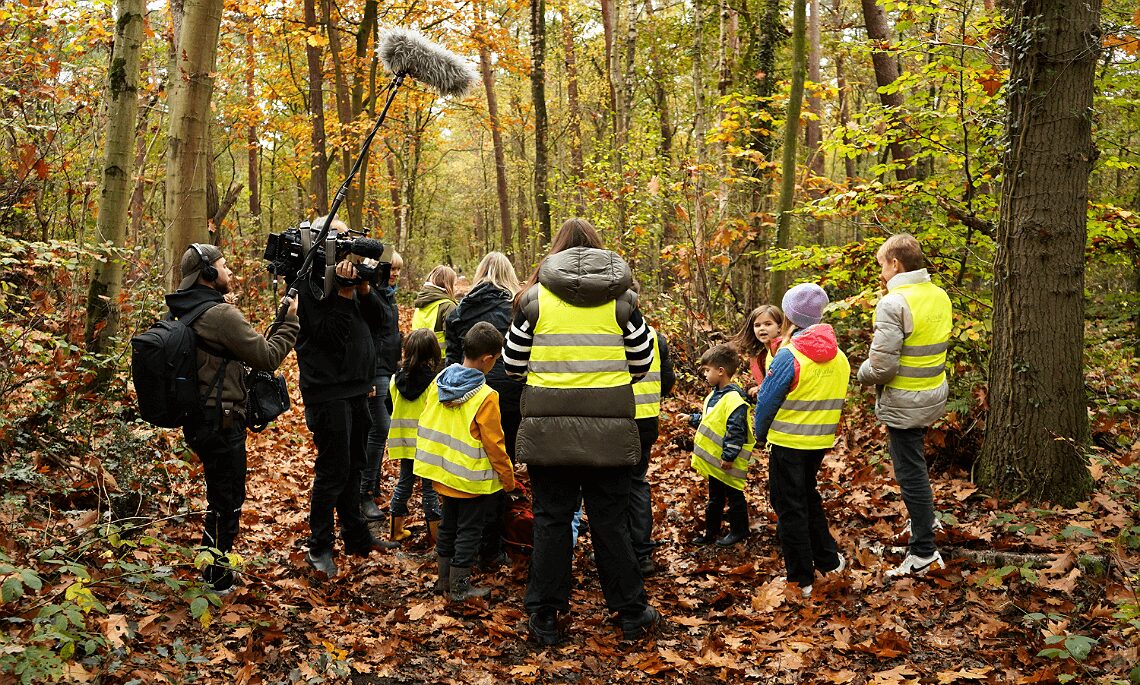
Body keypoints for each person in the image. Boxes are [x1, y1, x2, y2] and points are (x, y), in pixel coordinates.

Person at [504, 217, 660, 646]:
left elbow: (513, 365)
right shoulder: (622, 303)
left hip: (547, 434)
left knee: (552, 521)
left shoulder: (533, 302)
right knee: (610, 521)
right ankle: (630, 613)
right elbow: (642, 362)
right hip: (609, 434)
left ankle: (545, 616)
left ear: (556, 253)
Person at [166, 243, 299, 593]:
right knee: (227, 501)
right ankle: (217, 578)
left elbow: (232, 351)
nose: (230, 273)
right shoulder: (220, 316)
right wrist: (292, 321)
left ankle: (212, 566)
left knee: (218, 498)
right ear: (209, 275)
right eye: (224, 267)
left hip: (198, 420)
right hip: (221, 423)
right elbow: (268, 357)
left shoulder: (183, 310)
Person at [296, 217, 396, 579]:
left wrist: (364, 288)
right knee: (333, 469)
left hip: (358, 388)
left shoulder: (353, 277)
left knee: (355, 465)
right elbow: (325, 336)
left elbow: (381, 322)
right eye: (339, 237)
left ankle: (356, 537)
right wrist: (340, 291)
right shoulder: (310, 280)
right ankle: (319, 546)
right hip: (328, 391)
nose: (347, 244)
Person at [856, 233, 952, 577]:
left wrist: (860, 373)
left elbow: (882, 367)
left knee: (911, 473)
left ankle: (924, 550)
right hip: (931, 393)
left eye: (882, 264)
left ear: (895, 263)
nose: (881, 273)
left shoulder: (894, 302)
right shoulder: (938, 295)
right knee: (916, 467)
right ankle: (924, 524)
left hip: (905, 400)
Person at [753, 283, 850, 597]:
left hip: (788, 442)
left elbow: (767, 401)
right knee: (807, 497)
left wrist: (759, 433)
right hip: (819, 442)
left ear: (788, 318)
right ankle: (829, 559)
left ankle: (800, 580)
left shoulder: (788, 356)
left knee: (789, 507)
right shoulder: (840, 357)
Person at [413, 322, 517, 601]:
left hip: (443, 474)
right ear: (487, 359)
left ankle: (443, 580)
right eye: (495, 360)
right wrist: (508, 479)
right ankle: (460, 588)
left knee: (448, 525)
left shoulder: (439, 382)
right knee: (470, 531)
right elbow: (495, 444)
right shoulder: (486, 397)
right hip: (470, 480)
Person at [443, 251, 524, 569]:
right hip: (506, 394)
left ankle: (464, 542)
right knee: (499, 464)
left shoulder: (460, 309)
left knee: (466, 463)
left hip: (465, 391)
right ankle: (490, 547)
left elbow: (451, 354)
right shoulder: (517, 307)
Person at [628, 281, 675, 575]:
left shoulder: (612, 333)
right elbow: (667, 382)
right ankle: (642, 553)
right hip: (646, 419)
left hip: (616, 418)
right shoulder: (655, 335)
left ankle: (620, 552)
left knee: (615, 487)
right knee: (637, 484)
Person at [687, 344, 755, 548]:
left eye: (707, 370)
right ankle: (711, 532)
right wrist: (692, 418)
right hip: (716, 461)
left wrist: (729, 456)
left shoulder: (734, 399)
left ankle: (739, 530)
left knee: (734, 495)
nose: (705, 375)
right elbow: (712, 420)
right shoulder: (714, 394)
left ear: (721, 371)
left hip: (727, 461)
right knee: (715, 497)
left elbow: (736, 430)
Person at [387, 328, 443, 543]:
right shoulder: (434, 383)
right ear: (432, 353)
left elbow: (390, 406)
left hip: (403, 441)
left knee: (404, 483)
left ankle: (395, 531)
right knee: (429, 488)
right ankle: (436, 536)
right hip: (426, 442)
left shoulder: (395, 379)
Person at [360, 251, 403, 522]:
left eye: (398, 270)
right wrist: (368, 377)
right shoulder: (370, 295)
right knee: (379, 427)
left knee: (378, 429)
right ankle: (364, 493)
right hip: (374, 371)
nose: (395, 274)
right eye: (392, 269)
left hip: (387, 369)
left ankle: (371, 487)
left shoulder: (387, 293)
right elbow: (368, 335)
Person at [729, 305, 785, 400]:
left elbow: (782, 381)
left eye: (768, 324)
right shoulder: (762, 356)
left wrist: (760, 389)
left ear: (779, 327)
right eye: (757, 325)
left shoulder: (784, 351)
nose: (762, 328)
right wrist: (751, 387)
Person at [412, 265, 458, 346]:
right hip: (441, 357)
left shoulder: (420, 304)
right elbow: (453, 339)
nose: (456, 289)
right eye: (454, 285)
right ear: (448, 286)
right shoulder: (448, 306)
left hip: (418, 356)